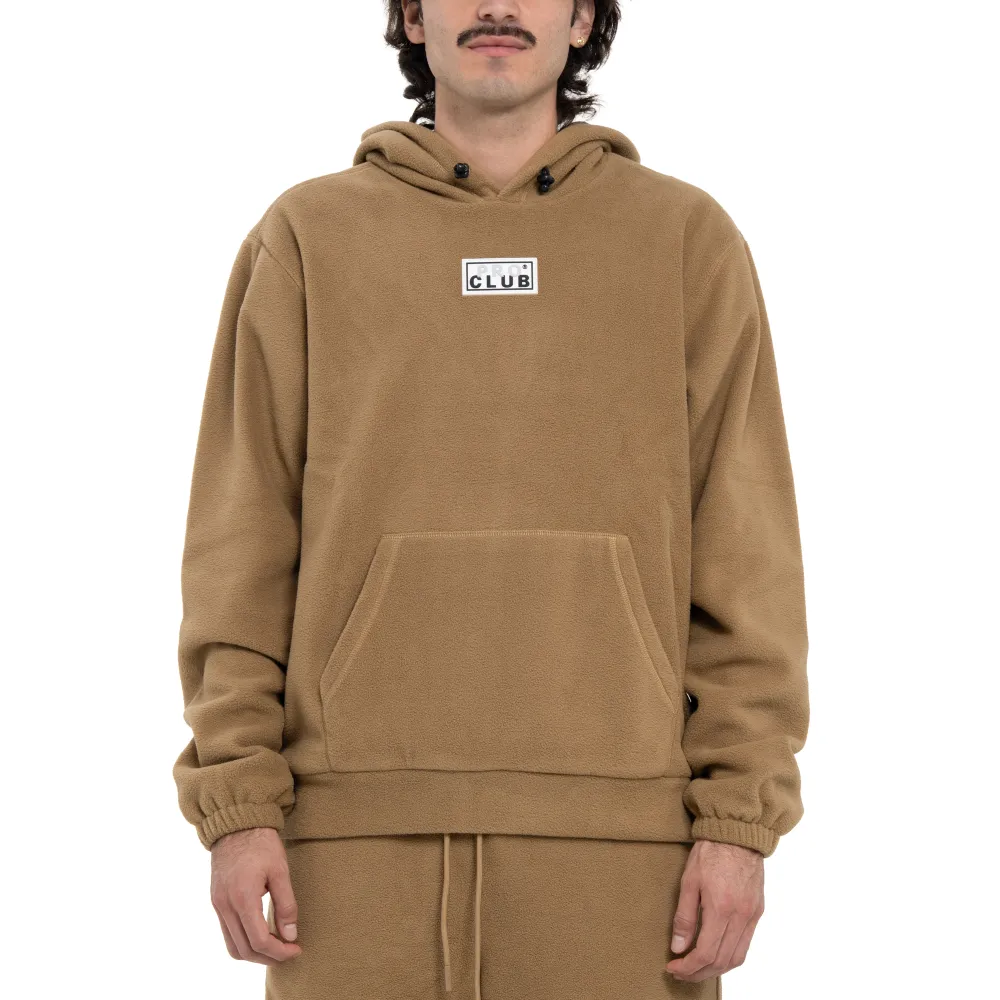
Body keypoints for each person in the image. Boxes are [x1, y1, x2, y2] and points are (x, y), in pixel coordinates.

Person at [172, 2, 810, 997]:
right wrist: (237, 802)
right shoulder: (308, 238)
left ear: (583, 17)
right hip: (346, 851)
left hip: (625, 857)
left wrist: (739, 819)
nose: (499, 6)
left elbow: (747, 555)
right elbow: (239, 544)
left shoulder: (685, 242)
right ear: (413, 16)